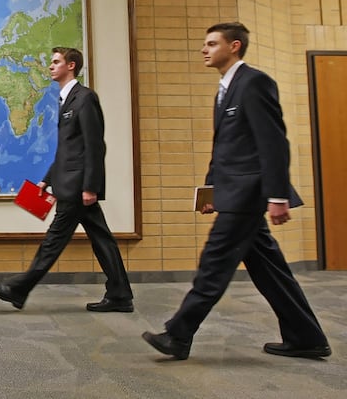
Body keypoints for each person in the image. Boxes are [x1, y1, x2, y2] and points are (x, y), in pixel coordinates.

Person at [142, 22, 331, 360]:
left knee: (214, 263)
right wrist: (211, 191)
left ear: (235, 46)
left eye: (212, 43)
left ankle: (178, 334)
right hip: (234, 192)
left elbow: (273, 143)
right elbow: (226, 148)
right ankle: (307, 336)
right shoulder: (226, 89)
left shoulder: (254, 83)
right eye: (205, 43)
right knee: (270, 270)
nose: (204, 49)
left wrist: (277, 196)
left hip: (248, 195)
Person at [0, 47, 134, 312]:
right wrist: (46, 180)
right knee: (102, 239)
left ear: (72, 65)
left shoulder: (85, 98)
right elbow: (69, 149)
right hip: (69, 182)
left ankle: (19, 288)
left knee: (54, 240)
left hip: (77, 187)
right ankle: (120, 295)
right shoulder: (65, 100)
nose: (51, 67)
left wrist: (91, 187)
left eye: (56, 62)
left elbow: (94, 146)